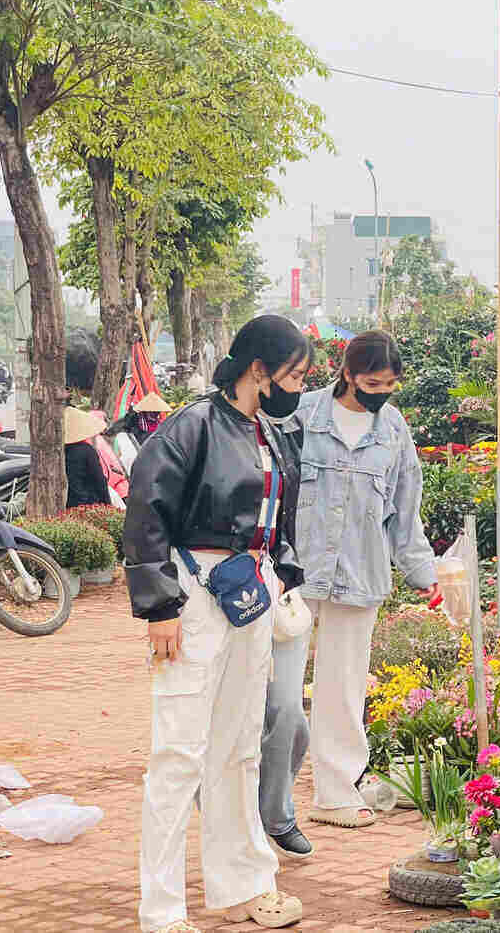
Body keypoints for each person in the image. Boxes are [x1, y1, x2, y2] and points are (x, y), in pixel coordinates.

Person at [124, 314, 312, 933]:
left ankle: (248, 883)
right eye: (293, 374)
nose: (298, 386)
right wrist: (159, 606)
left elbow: (281, 516)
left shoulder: (272, 435)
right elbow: (147, 507)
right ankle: (163, 910)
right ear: (259, 369)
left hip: (251, 595)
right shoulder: (192, 426)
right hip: (194, 597)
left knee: (238, 749)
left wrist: (282, 568)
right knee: (179, 751)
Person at [259, 330, 439, 858]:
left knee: (343, 688)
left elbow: (405, 511)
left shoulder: (395, 431)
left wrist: (424, 574)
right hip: (296, 572)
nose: (381, 391)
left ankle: (335, 794)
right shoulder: (300, 415)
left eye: (389, 384)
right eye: (371, 382)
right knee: (280, 696)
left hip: (360, 574)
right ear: (347, 373)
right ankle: (266, 799)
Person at [64, 406, 112, 508]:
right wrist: (108, 504)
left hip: (68, 503)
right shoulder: (87, 451)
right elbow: (99, 480)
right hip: (87, 504)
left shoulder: (61, 451)